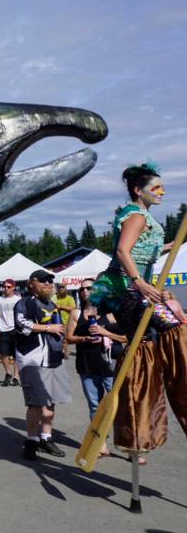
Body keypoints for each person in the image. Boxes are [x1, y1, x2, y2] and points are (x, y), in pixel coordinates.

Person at [90, 163, 185, 459]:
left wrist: (176, 244)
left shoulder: (147, 218)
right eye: (156, 187)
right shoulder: (134, 215)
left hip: (135, 288)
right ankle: (139, 422)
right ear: (138, 190)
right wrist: (140, 283)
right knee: (156, 340)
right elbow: (123, 251)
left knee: (173, 330)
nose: (162, 192)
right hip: (125, 290)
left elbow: (150, 251)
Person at [14, 269, 72, 460]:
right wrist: (49, 327)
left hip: (53, 358)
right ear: (32, 283)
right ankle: (31, 441)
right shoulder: (26, 302)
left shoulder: (52, 303)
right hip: (33, 359)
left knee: (51, 401)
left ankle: (46, 438)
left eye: (50, 282)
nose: (48, 284)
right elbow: (21, 323)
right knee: (36, 404)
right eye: (43, 281)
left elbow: (59, 328)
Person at [65, 279, 126, 458]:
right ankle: (101, 444)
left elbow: (126, 337)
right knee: (95, 406)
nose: (85, 291)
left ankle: (128, 444)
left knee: (120, 406)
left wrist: (105, 333)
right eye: (82, 288)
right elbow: (69, 338)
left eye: (89, 288)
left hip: (111, 365)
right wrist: (85, 339)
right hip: (87, 365)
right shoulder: (77, 313)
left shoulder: (111, 312)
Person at [0, 279, 21, 386]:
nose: (6, 288)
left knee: (16, 355)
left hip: (16, 329)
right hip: (4, 330)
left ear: (13, 287)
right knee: (3, 354)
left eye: (9, 287)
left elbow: (22, 314)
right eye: (4, 286)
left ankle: (16, 376)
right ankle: (8, 373)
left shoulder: (18, 299)